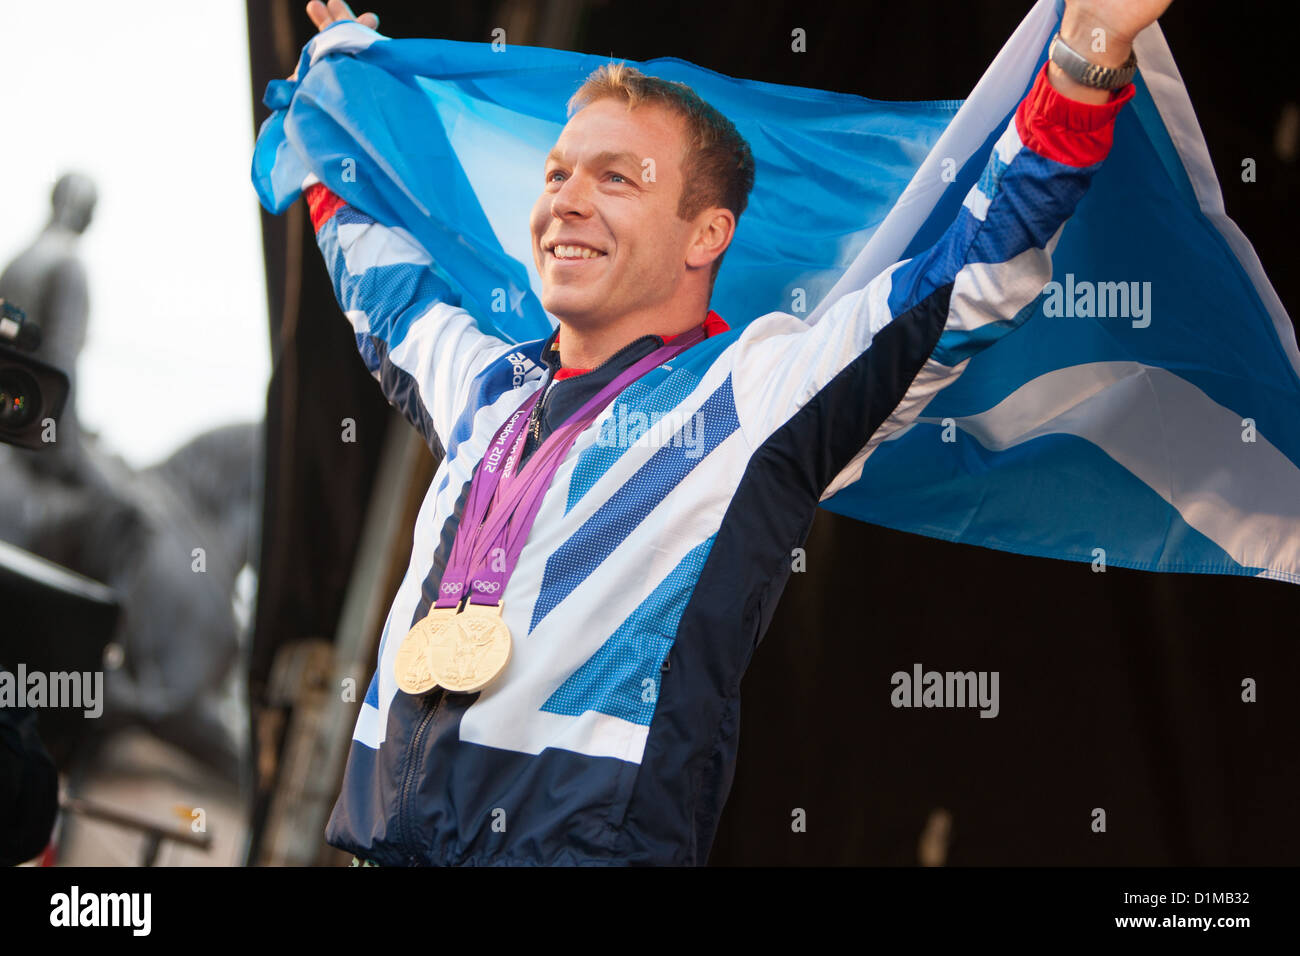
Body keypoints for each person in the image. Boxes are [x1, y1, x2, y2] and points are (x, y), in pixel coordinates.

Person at [287, 0, 1173, 865]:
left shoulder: (756, 394)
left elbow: (962, 282)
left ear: (706, 234)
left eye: (617, 178)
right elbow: (385, 289)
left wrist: (1086, 57)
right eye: (558, 173)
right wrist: (338, 113)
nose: (567, 201)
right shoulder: (487, 388)